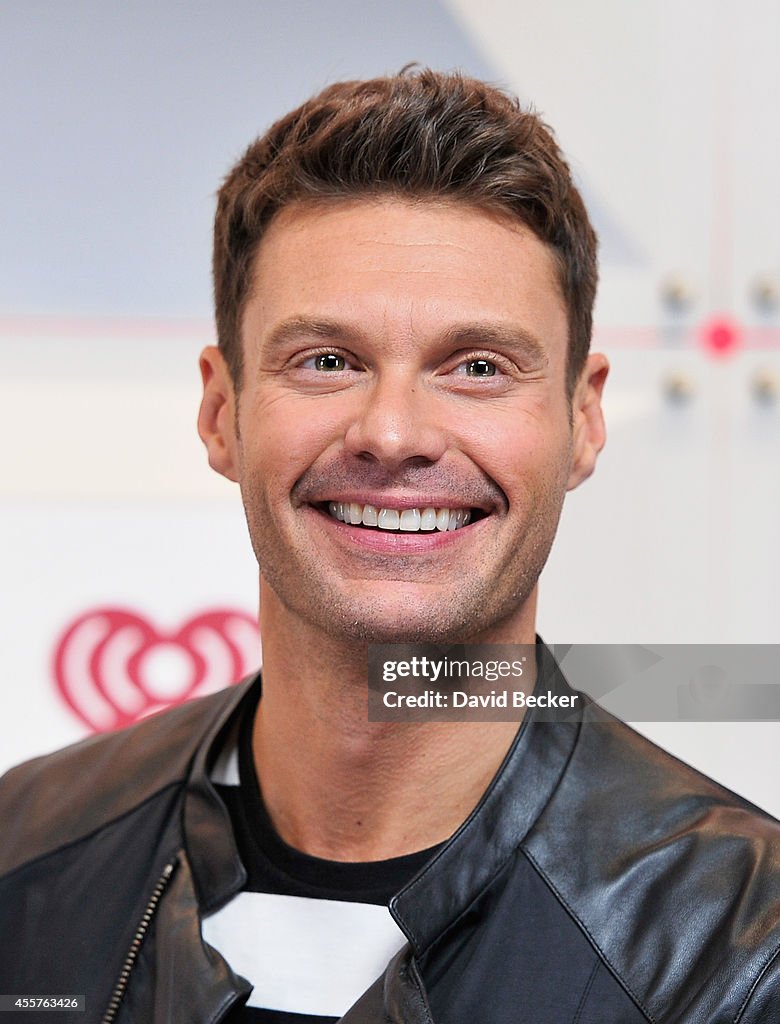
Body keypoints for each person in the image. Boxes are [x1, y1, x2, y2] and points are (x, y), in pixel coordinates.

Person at [0, 69, 778, 1024]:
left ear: (582, 421)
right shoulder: (24, 856)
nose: (395, 432)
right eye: (327, 361)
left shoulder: (744, 946)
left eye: (478, 367)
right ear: (220, 410)